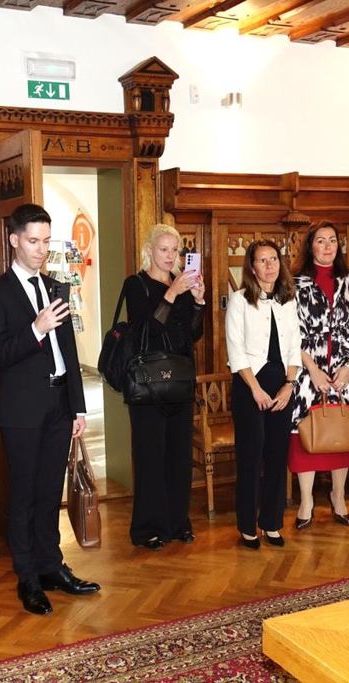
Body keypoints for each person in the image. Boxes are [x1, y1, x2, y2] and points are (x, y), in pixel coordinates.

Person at [0, 203, 100, 615]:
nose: (41, 249)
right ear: (14, 239)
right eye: (33, 241)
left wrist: (78, 406)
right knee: (25, 496)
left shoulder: (55, 286)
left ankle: (52, 567)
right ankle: (28, 578)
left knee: (50, 493)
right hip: (22, 411)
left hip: (59, 404)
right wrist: (36, 328)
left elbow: (69, 350)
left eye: (46, 241)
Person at [290, 222, 349, 527]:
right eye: (321, 241)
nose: (328, 246)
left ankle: (338, 495)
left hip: (347, 371)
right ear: (310, 246)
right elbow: (289, 333)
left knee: (343, 433)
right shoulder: (294, 283)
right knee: (305, 433)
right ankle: (306, 501)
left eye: (332, 240)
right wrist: (313, 370)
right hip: (307, 370)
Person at [123, 224, 205, 549]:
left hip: (179, 382)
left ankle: (177, 522)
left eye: (175, 250)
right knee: (150, 458)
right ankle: (148, 528)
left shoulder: (182, 285)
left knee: (178, 457)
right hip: (148, 386)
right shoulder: (137, 284)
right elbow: (146, 332)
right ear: (150, 250)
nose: (170, 256)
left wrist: (197, 302)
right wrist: (171, 294)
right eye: (164, 249)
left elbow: (192, 334)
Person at [226, 240, 301, 549]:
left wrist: (289, 385)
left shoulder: (288, 301)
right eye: (262, 260)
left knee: (276, 456)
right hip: (249, 386)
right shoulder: (240, 300)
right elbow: (235, 349)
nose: (269, 265)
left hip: (282, 386)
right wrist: (255, 389)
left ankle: (271, 523)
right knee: (251, 456)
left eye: (273, 259)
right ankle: (247, 526)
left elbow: (295, 347)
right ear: (252, 267)